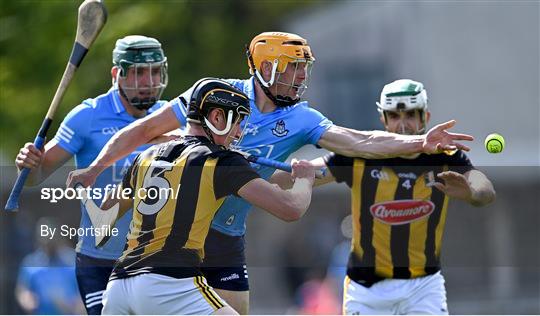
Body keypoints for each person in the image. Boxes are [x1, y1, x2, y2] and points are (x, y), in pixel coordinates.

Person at [66, 32, 473, 314]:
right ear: (266, 67)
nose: (301, 77)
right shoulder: (215, 95)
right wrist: (97, 166)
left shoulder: (302, 117)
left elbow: (361, 141)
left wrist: (419, 144)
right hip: (180, 235)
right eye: (293, 68)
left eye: (303, 69)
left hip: (225, 236)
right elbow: (142, 130)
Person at [272, 79, 496, 314]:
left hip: (423, 286)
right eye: (394, 116)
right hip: (366, 290)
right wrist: (252, 172)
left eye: (410, 115)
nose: (402, 125)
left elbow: (484, 188)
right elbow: (302, 173)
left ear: (425, 117)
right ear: (383, 119)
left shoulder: (444, 157)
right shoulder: (361, 154)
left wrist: (472, 192)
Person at [100, 79, 315, 315]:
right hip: (169, 284)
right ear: (216, 118)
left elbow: (103, 220)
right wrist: (304, 180)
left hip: (118, 288)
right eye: (238, 121)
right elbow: (290, 208)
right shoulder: (222, 161)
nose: (239, 132)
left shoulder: (146, 157)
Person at [14, 35, 169, 314]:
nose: (148, 81)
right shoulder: (87, 117)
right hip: (100, 261)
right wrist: (29, 162)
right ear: (116, 74)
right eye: (138, 72)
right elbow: (37, 174)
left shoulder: (167, 117)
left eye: (154, 71)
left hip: (153, 260)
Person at [16, 217, 84, 315]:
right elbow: (22, 290)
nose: (48, 242)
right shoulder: (30, 263)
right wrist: (26, 300)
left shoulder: (73, 261)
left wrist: (76, 307)